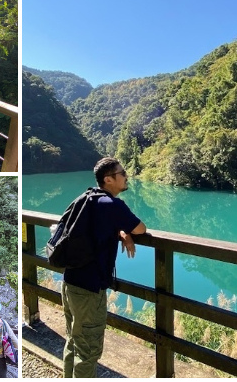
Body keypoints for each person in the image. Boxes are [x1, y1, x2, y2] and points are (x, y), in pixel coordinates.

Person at [61, 157, 146, 378]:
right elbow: (140, 229)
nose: (126, 176)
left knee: (73, 340)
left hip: (70, 282)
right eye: (122, 173)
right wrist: (126, 230)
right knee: (88, 351)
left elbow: (92, 229)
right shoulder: (113, 205)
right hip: (89, 290)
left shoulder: (87, 197)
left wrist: (119, 231)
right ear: (109, 179)